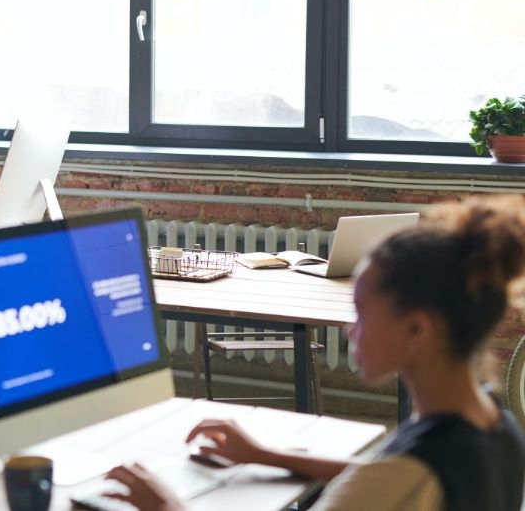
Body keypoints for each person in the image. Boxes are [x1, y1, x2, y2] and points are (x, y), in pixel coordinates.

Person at [107, 195, 525, 511]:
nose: (350, 329)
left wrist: (166, 506)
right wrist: (259, 454)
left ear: (417, 328)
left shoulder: (408, 474)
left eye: (361, 315)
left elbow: (389, 479)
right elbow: (378, 475)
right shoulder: (492, 423)